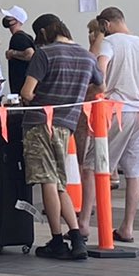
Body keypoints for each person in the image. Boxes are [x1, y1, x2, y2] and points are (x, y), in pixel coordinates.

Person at [21, 13, 99, 260]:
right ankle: (76, 237)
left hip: (39, 124)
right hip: (67, 125)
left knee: (48, 181)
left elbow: (27, 92)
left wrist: (42, 98)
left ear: (44, 32)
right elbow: (101, 87)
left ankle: (57, 239)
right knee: (59, 182)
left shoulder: (45, 54)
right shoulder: (87, 57)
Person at [89, 6, 139, 242]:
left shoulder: (109, 43)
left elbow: (100, 70)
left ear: (107, 24)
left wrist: (102, 88)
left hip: (116, 110)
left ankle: (84, 223)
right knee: (134, 172)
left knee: (95, 165)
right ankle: (127, 227)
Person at [0, 7, 36, 91]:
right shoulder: (27, 37)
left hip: (20, 84)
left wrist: (12, 53)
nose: (6, 19)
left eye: (9, 17)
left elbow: (30, 54)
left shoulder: (18, 37)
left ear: (16, 20)